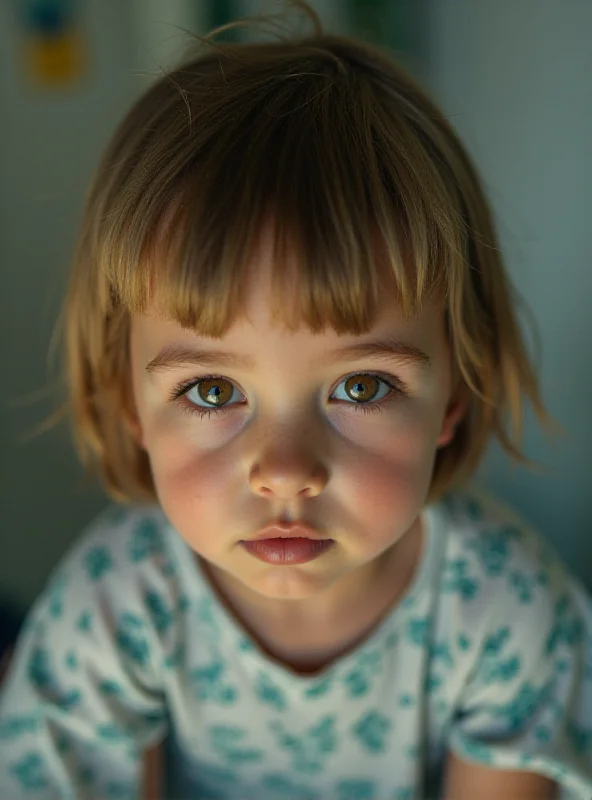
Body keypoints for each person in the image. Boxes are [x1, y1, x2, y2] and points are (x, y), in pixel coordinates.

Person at [1, 3, 591, 798]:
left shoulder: (507, 615)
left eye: (362, 386)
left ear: (455, 391)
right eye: (211, 390)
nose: (285, 471)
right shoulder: (116, 605)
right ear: (130, 404)